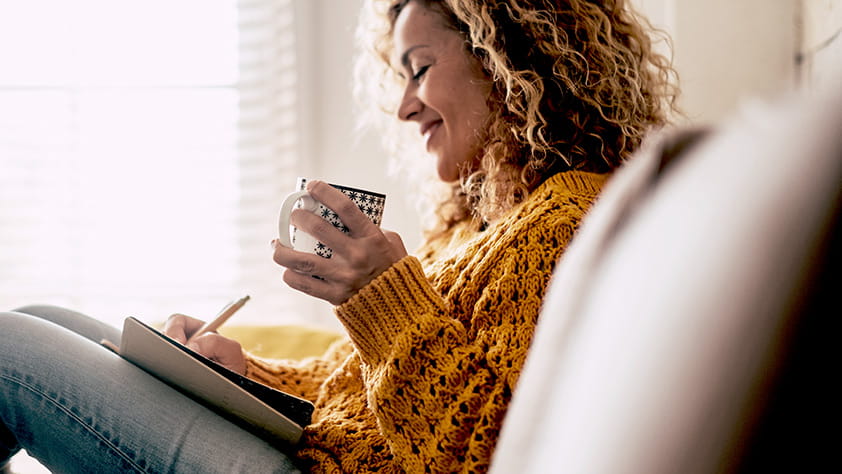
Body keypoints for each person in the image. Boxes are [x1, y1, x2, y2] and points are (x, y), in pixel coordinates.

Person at [0, 0, 677, 472]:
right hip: (317, 450)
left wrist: (385, 299)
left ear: (506, 57)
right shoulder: (477, 225)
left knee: (8, 345)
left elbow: (486, 455)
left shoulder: (566, 222)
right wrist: (244, 376)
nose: (406, 105)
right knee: (39, 319)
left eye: (419, 67)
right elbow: (358, 391)